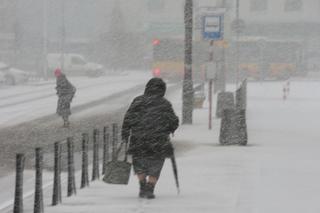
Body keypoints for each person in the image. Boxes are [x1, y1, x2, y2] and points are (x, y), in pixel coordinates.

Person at [121, 78, 179, 199]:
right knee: (156, 164)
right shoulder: (165, 104)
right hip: (159, 140)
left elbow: (128, 118)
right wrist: (169, 129)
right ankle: (150, 187)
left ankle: (142, 185)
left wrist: (125, 133)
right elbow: (173, 121)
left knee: (139, 162)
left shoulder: (138, 101)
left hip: (138, 138)